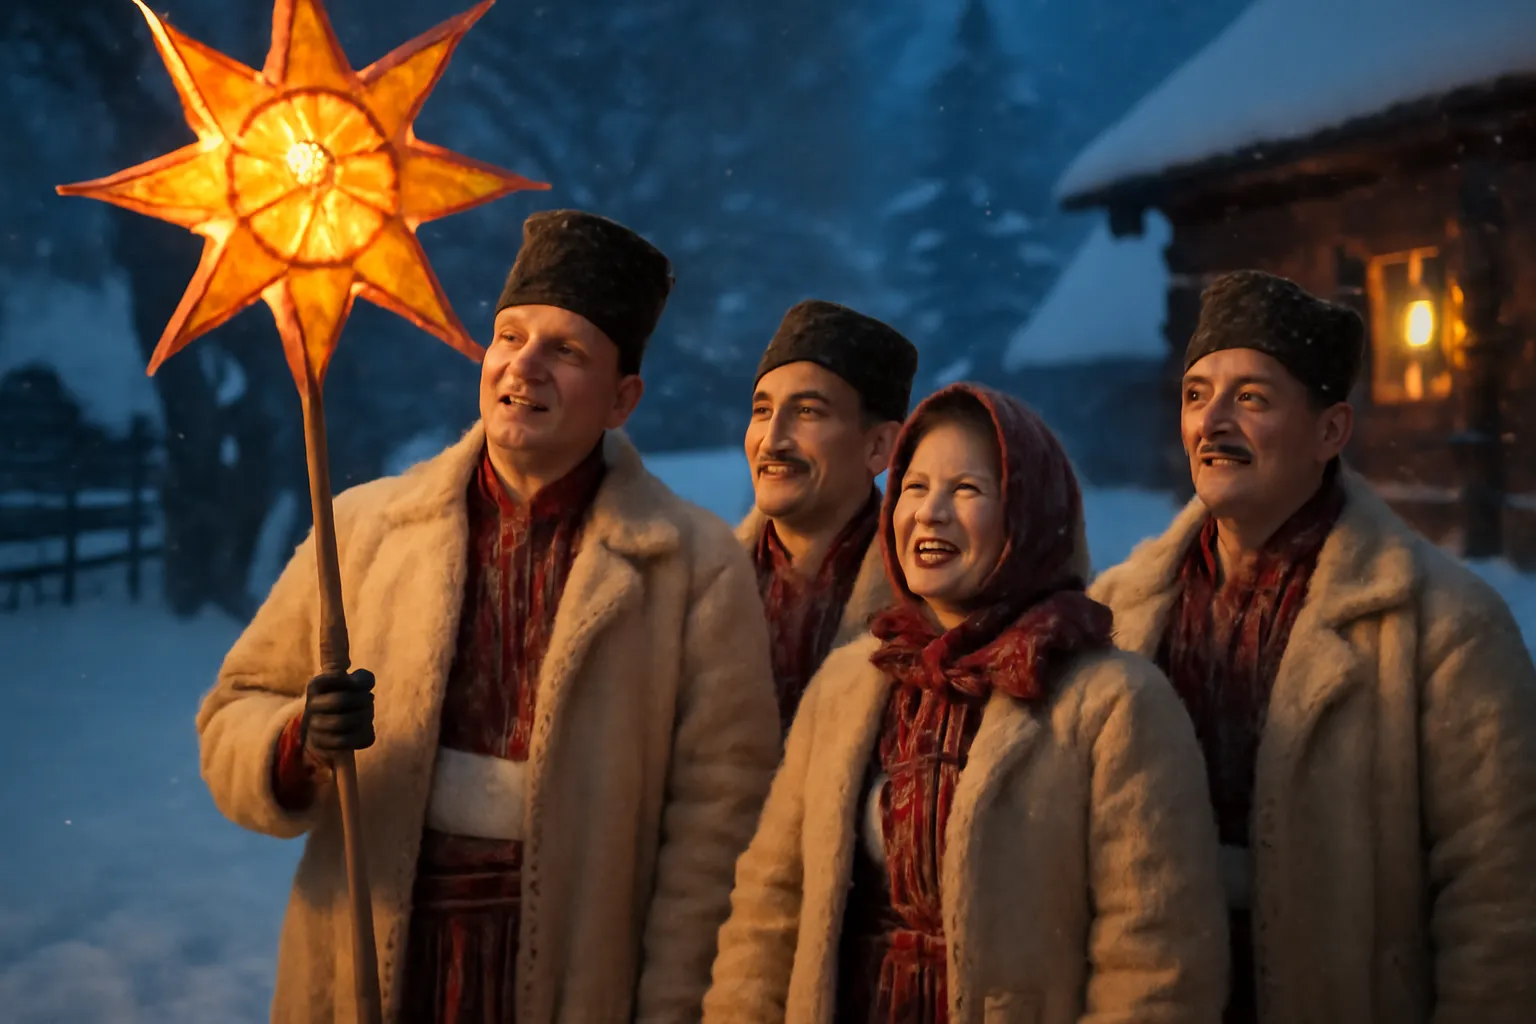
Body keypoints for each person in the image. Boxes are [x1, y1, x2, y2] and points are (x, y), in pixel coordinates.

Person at [195, 210, 781, 1023]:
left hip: (579, 968)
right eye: (510, 336)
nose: (524, 366)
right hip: (371, 947)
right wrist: (298, 741)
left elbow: (722, 824)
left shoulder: (693, 568)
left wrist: (674, 1001)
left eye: (566, 350)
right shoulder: (365, 529)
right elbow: (233, 712)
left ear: (622, 398)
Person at [1090, 269, 1536, 1023]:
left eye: (1252, 397)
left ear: (1331, 431)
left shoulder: (1446, 629)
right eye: (1196, 395)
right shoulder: (1115, 611)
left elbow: (1500, 905)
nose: (1213, 422)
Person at [705, 382, 1227, 1023]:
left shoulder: (1114, 706)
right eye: (915, 487)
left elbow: (1156, 962)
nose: (930, 513)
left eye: (968, 490)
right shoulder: (849, 686)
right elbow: (768, 910)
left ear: (1028, 516)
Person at [741, 299, 918, 734]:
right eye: (762, 411)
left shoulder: (926, 602)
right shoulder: (696, 586)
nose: (772, 440)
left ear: (878, 447)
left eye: (807, 412)